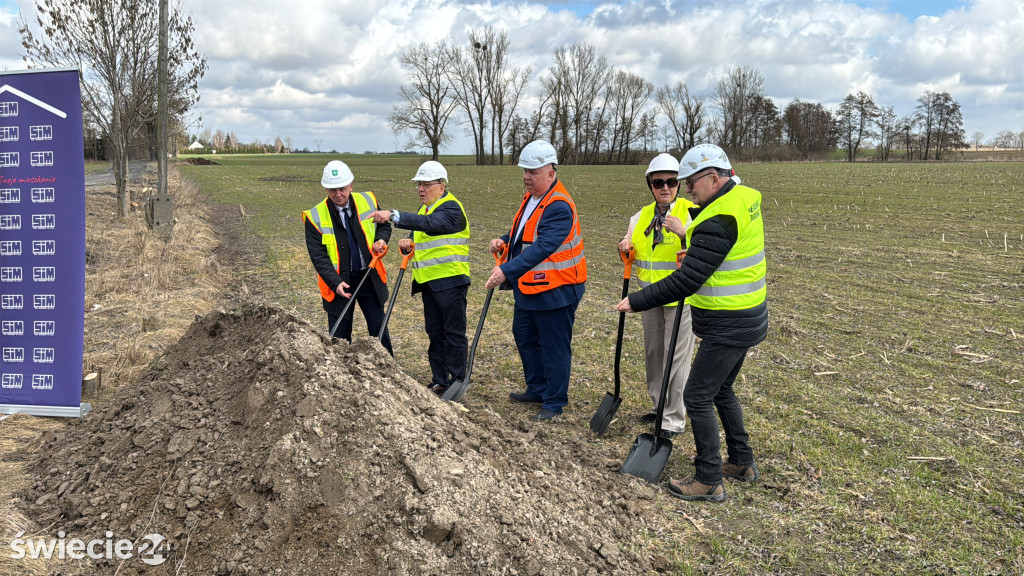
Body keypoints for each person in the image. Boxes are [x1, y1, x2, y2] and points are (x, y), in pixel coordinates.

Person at [617, 143, 766, 502]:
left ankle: (708, 479)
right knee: (722, 390)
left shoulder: (719, 218)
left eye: (689, 183)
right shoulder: (741, 198)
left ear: (714, 179)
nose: (684, 190)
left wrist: (637, 300)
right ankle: (742, 461)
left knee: (697, 395)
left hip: (729, 321)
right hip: (746, 314)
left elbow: (687, 280)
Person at [485, 140, 587, 422]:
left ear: (551, 173)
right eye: (525, 171)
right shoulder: (532, 199)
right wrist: (504, 241)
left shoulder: (559, 206)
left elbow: (544, 247)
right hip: (531, 286)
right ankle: (537, 389)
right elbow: (522, 232)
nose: (527, 177)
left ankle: (554, 402)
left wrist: (506, 270)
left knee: (554, 347)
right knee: (525, 338)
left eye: (533, 172)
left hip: (558, 289)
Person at [369, 161, 470, 396]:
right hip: (429, 283)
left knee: (453, 334)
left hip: (451, 282)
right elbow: (421, 231)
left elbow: (431, 225)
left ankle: (457, 381)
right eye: (419, 185)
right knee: (434, 334)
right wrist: (409, 241)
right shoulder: (426, 209)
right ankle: (439, 380)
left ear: (442, 186)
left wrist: (393, 215)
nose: (421, 190)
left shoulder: (451, 208)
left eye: (426, 184)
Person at [617, 153, 696, 440]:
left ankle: (674, 418)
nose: (665, 187)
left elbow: (705, 249)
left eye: (672, 182)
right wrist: (625, 247)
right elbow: (631, 253)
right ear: (650, 184)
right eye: (659, 182)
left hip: (681, 298)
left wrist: (685, 233)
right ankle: (658, 406)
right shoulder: (639, 217)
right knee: (654, 355)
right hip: (649, 297)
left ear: (679, 183)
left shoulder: (692, 212)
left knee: (676, 358)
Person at [302, 160, 393, 354]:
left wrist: (381, 240)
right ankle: (340, 379)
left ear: (351, 185)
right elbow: (318, 257)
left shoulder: (368, 200)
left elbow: (384, 226)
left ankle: (389, 371)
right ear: (326, 189)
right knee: (339, 338)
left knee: (379, 330)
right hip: (338, 284)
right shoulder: (314, 216)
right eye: (332, 190)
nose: (338, 195)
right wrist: (336, 283)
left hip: (369, 276)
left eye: (342, 189)